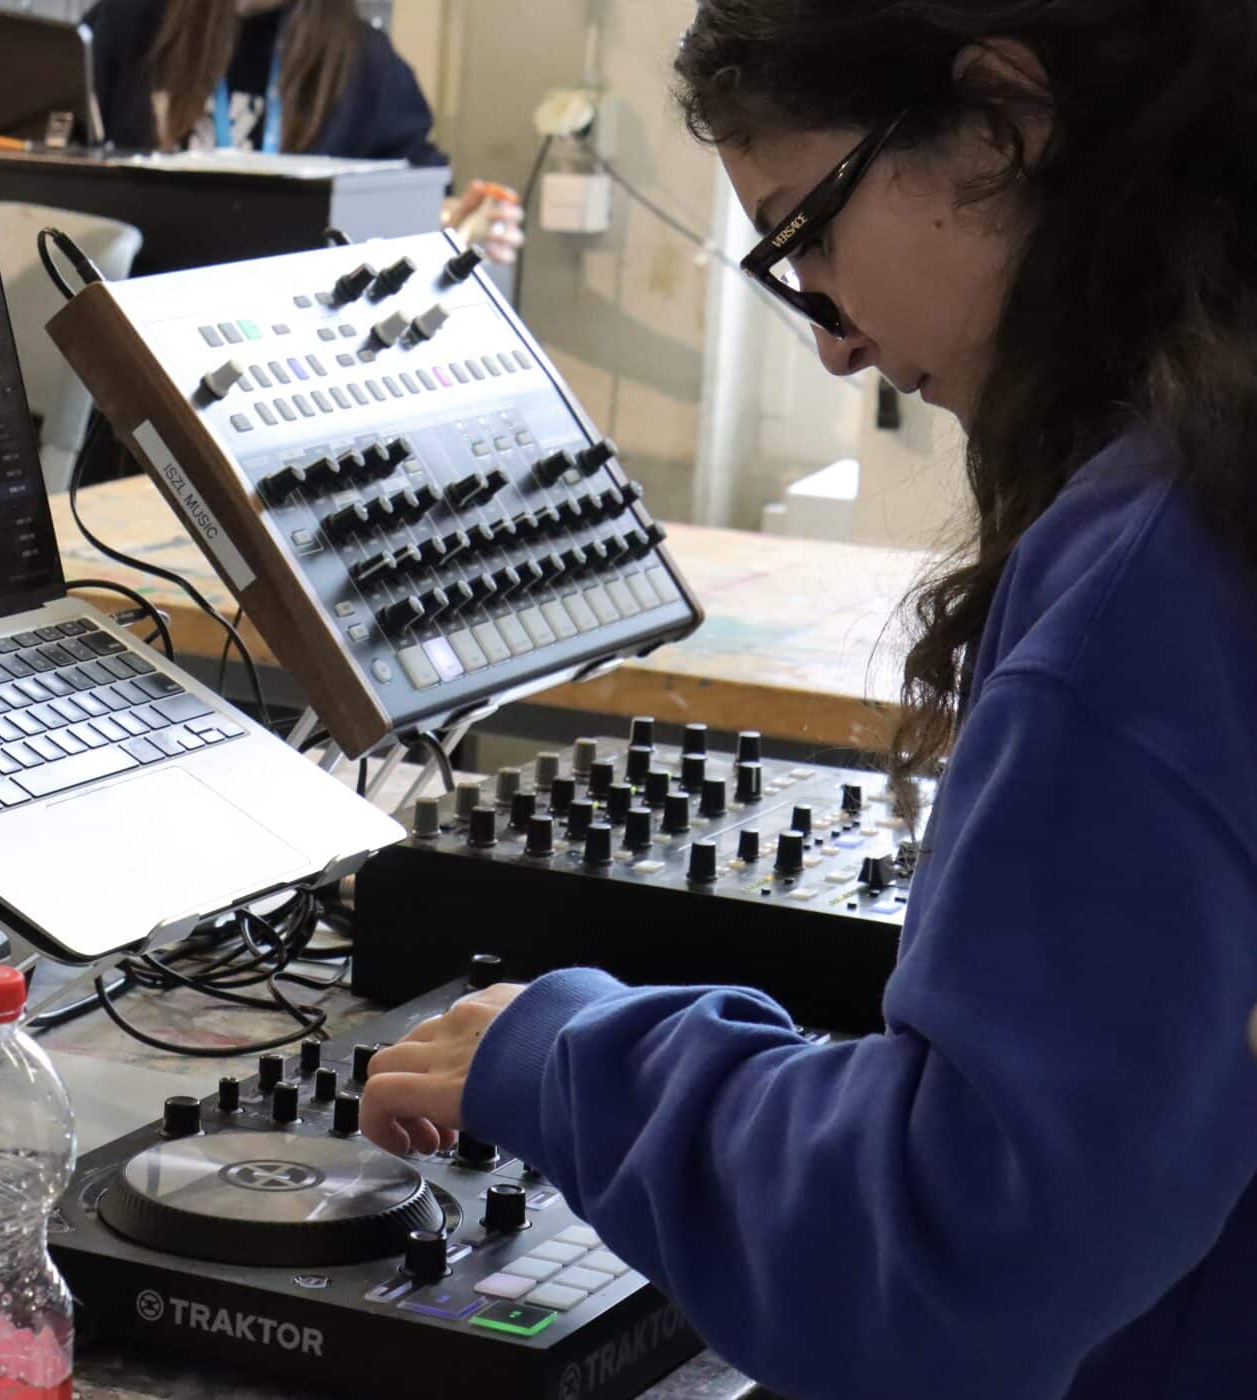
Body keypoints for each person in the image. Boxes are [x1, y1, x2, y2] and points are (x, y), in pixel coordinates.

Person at [360, 4, 1257, 1396]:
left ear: (1001, 119)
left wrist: (573, 1057)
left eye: (807, 238)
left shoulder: (1153, 577)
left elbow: (959, 1253)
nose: (834, 342)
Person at [85, 0, 522, 263]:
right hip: (137, 308)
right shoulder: (131, 22)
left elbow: (421, 194)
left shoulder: (365, 61)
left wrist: (468, 222)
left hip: (289, 326)